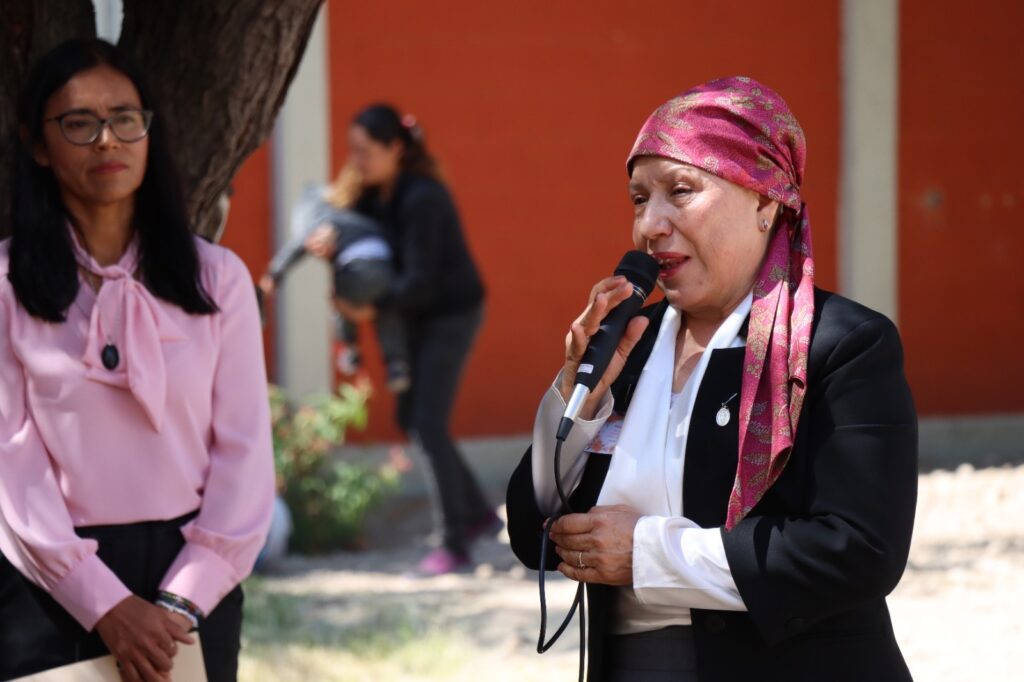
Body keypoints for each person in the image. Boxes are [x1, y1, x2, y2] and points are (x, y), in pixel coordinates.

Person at [506, 77, 918, 681]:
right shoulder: (628, 345)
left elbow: (858, 551)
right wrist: (578, 389)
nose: (651, 225)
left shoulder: (841, 345)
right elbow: (530, 529)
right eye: (638, 199)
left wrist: (648, 553)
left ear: (765, 201)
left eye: (681, 191)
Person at [0, 39, 274, 682]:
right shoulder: (6, 285)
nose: (106, 140)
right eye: (78, 122)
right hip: (52, 588)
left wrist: (181, 600)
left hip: (192, 585)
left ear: (149, 131)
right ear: (37, 145)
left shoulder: (218, 278)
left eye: (125, 118)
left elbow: (244, 456)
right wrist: (106, 604)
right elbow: (10, 463)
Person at [306, 104, 497, 575]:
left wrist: (370, 309)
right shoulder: (375, 195)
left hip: (450, 312)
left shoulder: (423, 197)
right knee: (415, 416)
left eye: (364, 151)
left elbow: (422, 281)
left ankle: (453, 545)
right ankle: (477, 516)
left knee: (427, 422)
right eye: (351, 150)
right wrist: (327, 241)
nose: (355, 161)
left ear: (395, 149)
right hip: (415, 314)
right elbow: (345, 230)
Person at [258, 171, 411, 392]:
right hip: (388, 266)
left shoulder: (318, 220)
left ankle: (348, 349)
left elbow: (297, 246)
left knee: (338, 297)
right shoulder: (353, 217)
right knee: (385, 307)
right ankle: (396, 363)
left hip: (358, 269)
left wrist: (273, 276)